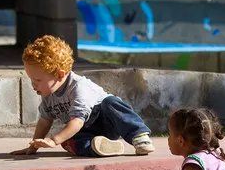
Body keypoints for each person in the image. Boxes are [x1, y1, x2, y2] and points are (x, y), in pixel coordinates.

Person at [11, 35, 155, 157]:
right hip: (85, 131)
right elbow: (45, 121)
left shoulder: (79, 87)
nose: (33, 85)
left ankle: (139, 136)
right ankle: (99, 147)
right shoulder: (48, 95)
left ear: (59, 75)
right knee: (68, 142)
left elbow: (77, 121)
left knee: (111, 103)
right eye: (31, 80)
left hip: (106, 121)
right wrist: (33, 146)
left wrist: (54, 140)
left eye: (37, 80)